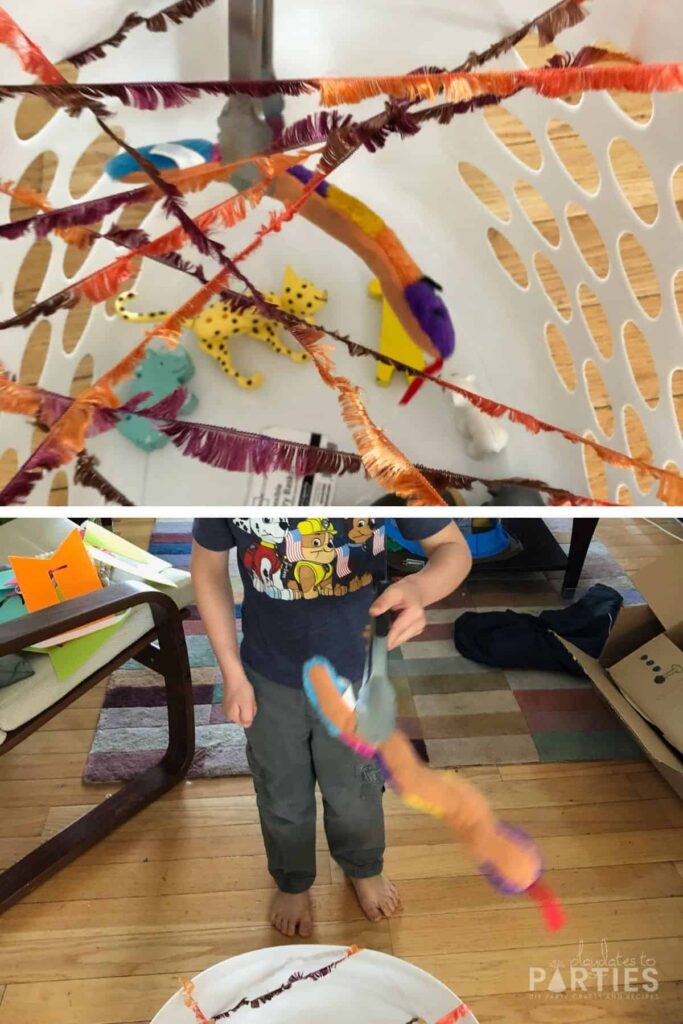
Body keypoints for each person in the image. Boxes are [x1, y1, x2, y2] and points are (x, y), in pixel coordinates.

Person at [191, 516, 472, 937]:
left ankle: (362, 866)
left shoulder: (382, 469)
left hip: (355, 676)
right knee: (280, 787)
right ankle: (292, 879)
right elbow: (208, 568)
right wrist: (232, 671)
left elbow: (453, 549)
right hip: (267, 675)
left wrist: (417, 588)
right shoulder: (228, 478)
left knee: (355, 785)